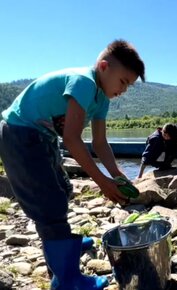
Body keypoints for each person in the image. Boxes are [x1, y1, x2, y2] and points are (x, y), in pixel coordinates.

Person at [0, 39, 145, 289]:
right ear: (103, 67)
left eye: (129, 86)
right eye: (123, 81)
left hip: (43, 136)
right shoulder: (84, 82)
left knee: (63, 190)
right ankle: (67, 281)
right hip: (19, 134)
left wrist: (117, 176)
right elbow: (71, 138)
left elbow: (100, 144)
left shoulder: (102, 99)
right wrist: (102, 183)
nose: (124, 90)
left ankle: (64, 244)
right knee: (49, 205)